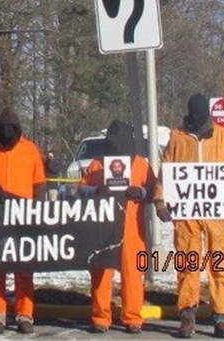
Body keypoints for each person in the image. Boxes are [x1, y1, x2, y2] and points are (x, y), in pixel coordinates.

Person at [153, 93, 224, 339]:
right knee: (187, 262)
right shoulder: (178, 136)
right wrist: (160, 200)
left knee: (219, 261)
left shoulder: (223, 136)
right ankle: (187, 314)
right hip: (186, 213)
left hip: (217, 212)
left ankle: (221, 316)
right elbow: (167, 168)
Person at [0, 108, 46, 335]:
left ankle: (25, 315)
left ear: (18, 132)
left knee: (24, 269)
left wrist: (39, 211)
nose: (6, 138)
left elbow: (39, 184)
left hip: (23, 218)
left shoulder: (30, 150)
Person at [78, 120, 155, 334]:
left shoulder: (141, 164)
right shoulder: (97, 164)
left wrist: (141, 193)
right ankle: (101, 317)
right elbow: (81, 189)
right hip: (104, 230)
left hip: (133, 229)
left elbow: (153, 191)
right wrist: (96, 191)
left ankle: (132, 317)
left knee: (133, 274)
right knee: (101, 273)